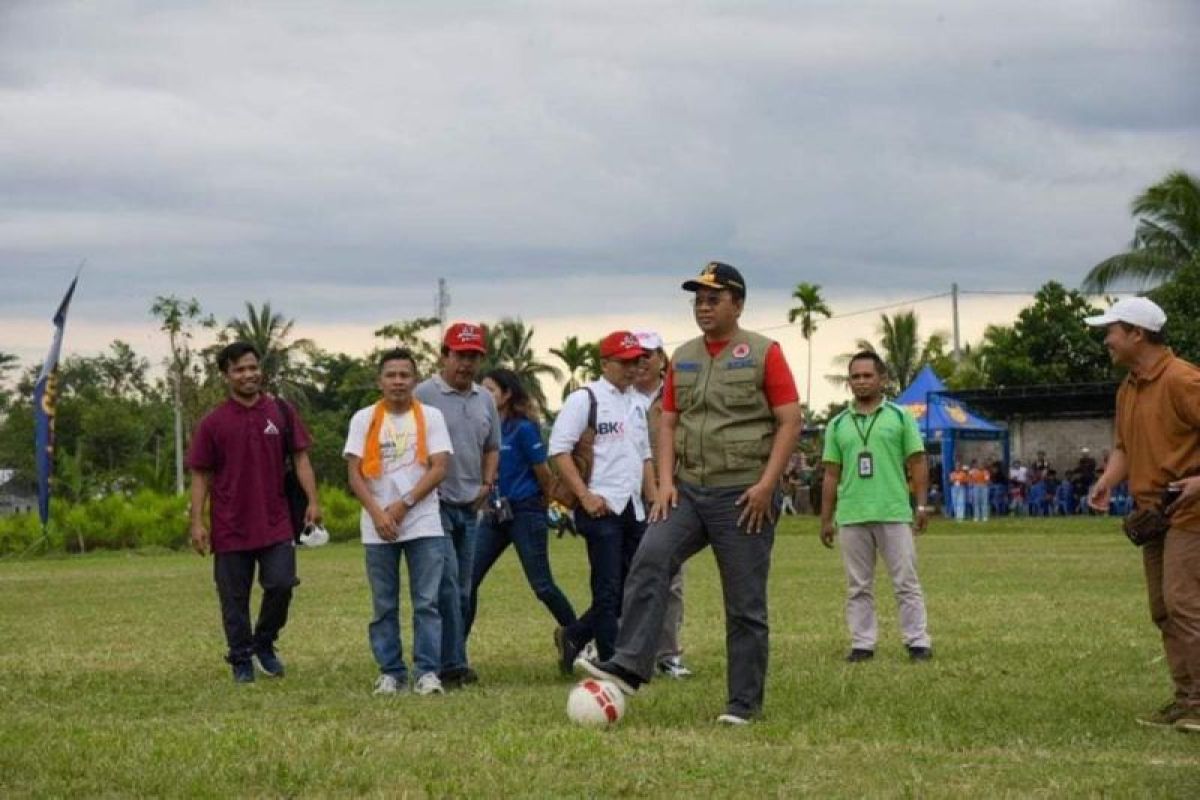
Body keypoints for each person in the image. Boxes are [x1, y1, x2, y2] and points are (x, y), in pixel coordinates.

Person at [581, 262, 803, 725]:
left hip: (744, 495)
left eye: (713, 298)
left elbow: (789, 421)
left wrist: (767, 485)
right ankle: (630, 663)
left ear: (737, 304)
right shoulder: (681, 357)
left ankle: (743, 706)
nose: (704, 307)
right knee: (650, 558)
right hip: (689, 492)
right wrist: (663, 484)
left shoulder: (765, 353)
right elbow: (667, 421)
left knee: (744, 603)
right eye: (698, 300)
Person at [1085, 297, 1200, 733]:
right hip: (1153, 514)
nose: (1106, 340)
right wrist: (1108, 481)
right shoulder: (1129, 386)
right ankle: (1186, 697)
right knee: (1163, 609)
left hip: (1192, 510)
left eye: (1111, 330)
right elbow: (1124, 448)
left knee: (1185, 604)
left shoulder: (1184, 380)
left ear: (1137, 333)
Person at [186, 341, 320, 683]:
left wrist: (313, 502)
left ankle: (264, 642)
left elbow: (301, 458)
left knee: (281, 584)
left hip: (275, 521)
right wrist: (198, 523)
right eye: (239, 370)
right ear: (226, 376)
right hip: (230, 524)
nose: (248, 375)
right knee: (234, 598)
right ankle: (241, 657)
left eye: (252, 367)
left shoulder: (281, 412)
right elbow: (200, 474)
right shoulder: (213, 423)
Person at [344, 348, 453, 696]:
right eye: (391, 375)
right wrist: (379, 514)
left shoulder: (431, 416)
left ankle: (426, 672)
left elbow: (439, 468)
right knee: (384, 605)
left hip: (422, 522)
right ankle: (391, 672)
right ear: (380, 381)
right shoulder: (364, 419)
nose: (397, 381)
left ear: (415, 380)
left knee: (427, 603)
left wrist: (403, 505)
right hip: (377, 527)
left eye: (404, 375)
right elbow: (355, 474)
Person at [552, 331, 655, 671]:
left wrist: (653, 500)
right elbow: (559, 451)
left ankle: (576, 634)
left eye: (637, 361)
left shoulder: (638, 403)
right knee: (608, 588)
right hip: (601, 507)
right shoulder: (586, 399)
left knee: (634, 585)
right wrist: (584, 495)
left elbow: (645, 457)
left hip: (634, 507)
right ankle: (612, 661)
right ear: (605, 363)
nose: (633, 368)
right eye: (625, 362)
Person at [820, 350, 932, 663]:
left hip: (893, 512)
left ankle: (917, 641)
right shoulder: (838, 424)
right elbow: (831, 474)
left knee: (906, 582)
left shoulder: (900, 417)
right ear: (849, 382)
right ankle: (862, 644)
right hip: (853, 515)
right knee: (858, 586)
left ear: (882, 379)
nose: (861, 382)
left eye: (868, 375)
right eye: (855, 376)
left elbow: (918, 462)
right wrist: (826, 519)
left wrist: (921, 508)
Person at [465, 368, 577, 665]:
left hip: (526, 512)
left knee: (542, 585)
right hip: (494, 513)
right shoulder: (484, 426)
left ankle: (577, 637)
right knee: (467, 581)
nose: (484, 394)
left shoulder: (523, 429)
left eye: (490, 389)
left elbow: (544, 473)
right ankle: (454, 654)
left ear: (507, 394)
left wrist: (552, 506)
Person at [414, 322, 501, 688]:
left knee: (463, 590)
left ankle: (453, 657)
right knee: (446, 586)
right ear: (444, 356)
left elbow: (492, 446)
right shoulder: (423, 394)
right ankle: (449, 664)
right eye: (460, 355)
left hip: (471, 505)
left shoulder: (484, 399)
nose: (466, 364)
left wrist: (487, 482)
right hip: (436, 504)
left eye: (473, 357)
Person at [632, 329, 693, 679]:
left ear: (661, 359)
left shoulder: (676, 396)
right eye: (634, 357)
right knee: (626, 574)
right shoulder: (617, 397)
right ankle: (623, 650)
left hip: (668, 495)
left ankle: (668, 653)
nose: (640, 363)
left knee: (670, 577)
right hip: (626, 499)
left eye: (648, 355)